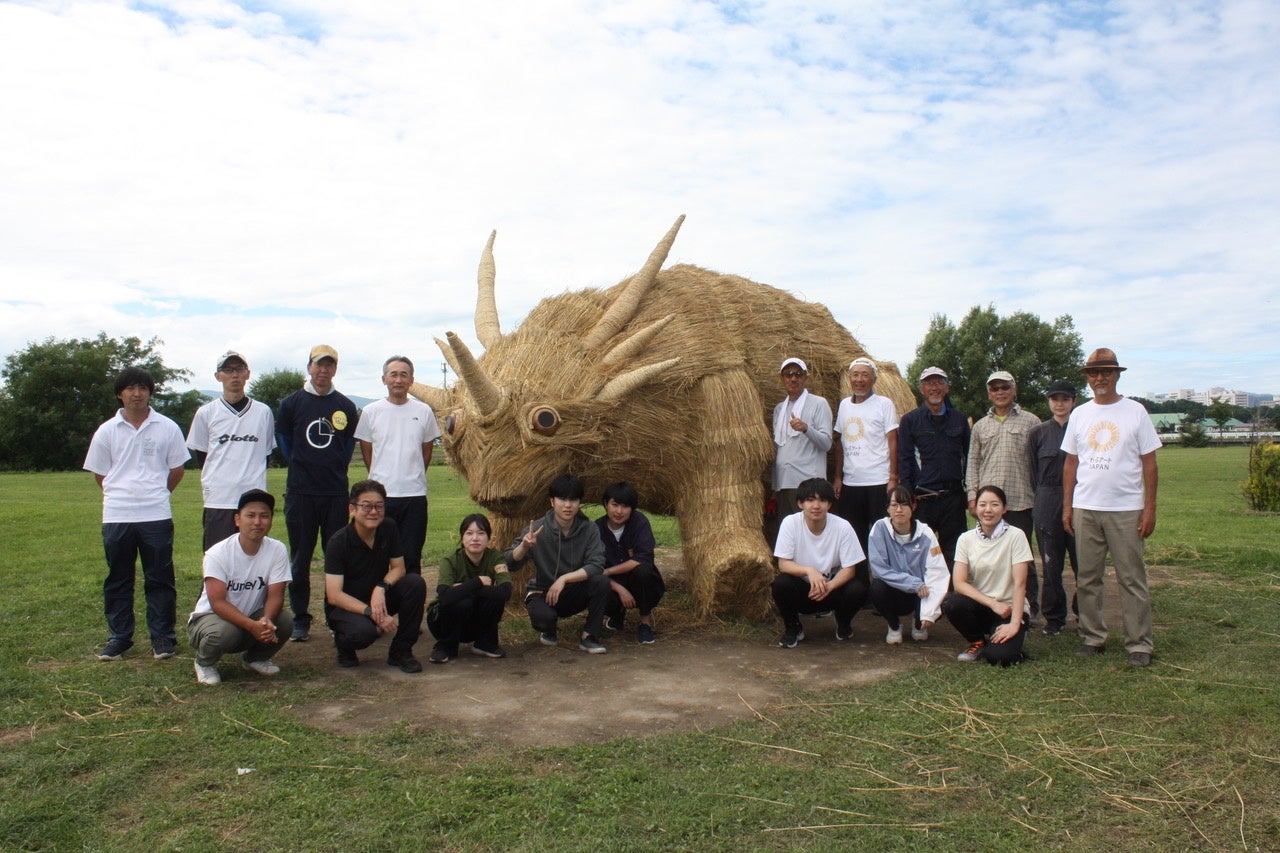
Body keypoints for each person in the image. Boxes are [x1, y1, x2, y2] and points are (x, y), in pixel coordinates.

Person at [1062, 348, 1161, 667]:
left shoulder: (1135, 412)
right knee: (1088, 577)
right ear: (1087, 378)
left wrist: (1149, 508)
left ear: (1117, 375)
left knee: (1131, 578)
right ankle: (1093, 637)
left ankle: (1139, 643)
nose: (1100, 378)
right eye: (1094, 373)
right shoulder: (1080, 414)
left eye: (1106, 372)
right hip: (1086, 506)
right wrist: (1068, 506)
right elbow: (1071, 462)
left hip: (1126, 509)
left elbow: (1149, 463)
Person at [83, 367, 190, 661]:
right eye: (130, 388)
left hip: (155, 514)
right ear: (120, 394)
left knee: (160, 578)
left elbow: (177, 469)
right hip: (117, 515)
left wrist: (156, 494)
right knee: (118, 578)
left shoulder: (167, 427)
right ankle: (119, 638)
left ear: (150, 392)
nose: (137, 393)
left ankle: (163, 638)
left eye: (142, 388)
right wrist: (122, 495)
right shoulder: (106, 431)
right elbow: (100, 474)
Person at [276, 344, 359, 642]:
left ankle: (335, 616)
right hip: (301, 492)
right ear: (309, 367)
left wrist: (331, 466)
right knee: (300, 558)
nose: (324, 370)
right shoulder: (291, 403)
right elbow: (284, 441)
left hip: (335, 493)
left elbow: (347, 447)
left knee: (336, 557)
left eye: (329, 365)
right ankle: (300, 618)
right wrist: (303, 465)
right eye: (319, 364)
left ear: (335, 369)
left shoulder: (345, 406)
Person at [187, 489, 293, 685]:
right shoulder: (217, 553)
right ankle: (204, 663)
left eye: (264, 516)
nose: (257, 522)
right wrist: (251, 626)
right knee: (226, 632)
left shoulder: (277, 549)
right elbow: (217, 602)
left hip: (250, 617)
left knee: (284, 621)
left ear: (271, 520)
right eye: (250, 516)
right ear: (237, 520)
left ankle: (255, 658)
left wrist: (266, 620)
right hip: (211, 619)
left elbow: (276, 595)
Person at [324, 480, 427, 672]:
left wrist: (381, 587)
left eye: (379, 506)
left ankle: (401, 651)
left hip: (377, 598)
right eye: (366, 506)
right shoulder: (338, 542)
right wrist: (371, 613)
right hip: (346, 607)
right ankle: (343, 644)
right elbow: (334, 595)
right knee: (363, 633)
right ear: (352, 509)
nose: (373, 512)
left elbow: (399, 568)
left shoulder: (388, 527)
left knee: (414, 583)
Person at [354, 355, 441, 575]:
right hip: (381, 497)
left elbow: (426, 450)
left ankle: (410, 596)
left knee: (411, 555)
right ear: (384, 379)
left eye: (404, 375)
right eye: (393, 375)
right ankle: (380, 595)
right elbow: (367, 449)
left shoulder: (424, 411)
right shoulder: (371, 411)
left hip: (414, 495)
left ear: (412, 380)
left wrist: (414, 473)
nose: (398, 380)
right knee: (378, 554)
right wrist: (378, 478)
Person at [507, 474, 611, 654]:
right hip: (543, 592)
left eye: (573, 500)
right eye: (562, 499)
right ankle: (549, 628)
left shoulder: (589, 529)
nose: (568, 505)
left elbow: (596, 565)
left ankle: (590, 636)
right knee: (544, 619)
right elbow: (509, 562)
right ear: (552, 502)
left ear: (579, 502)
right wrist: (523, 547)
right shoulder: (537, 529)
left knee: (601, 582)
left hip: (573, 590)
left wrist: (564, 579)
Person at [966, 370, 1041, 619]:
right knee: (988, 555)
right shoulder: (980, 426)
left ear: (1014, 390)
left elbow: (1038, 462)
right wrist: (973, 497)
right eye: (995, 388)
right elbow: (973, 463)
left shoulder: (1031, 422)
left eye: (1005, 387)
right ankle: (990, 602)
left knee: (1023, 556)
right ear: (989, 393)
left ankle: (1029, 607)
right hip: (988, 505)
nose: (1000, 392)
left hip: (1020, 501)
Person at [185, 351, 276, 552]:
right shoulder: (206, 413)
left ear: (247, 374)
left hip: (253, 498)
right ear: (218, 376)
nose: (234, 374)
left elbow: (266, 454)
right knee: (217, 555)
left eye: (239, 369)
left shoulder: (263, 412)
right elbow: (203, 456)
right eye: (227, 370)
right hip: (219, 498)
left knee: (254, 556)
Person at [941, 485, 1033, 666]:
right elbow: (959, 583)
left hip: (1010, 610)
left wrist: (1014, 624)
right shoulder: (966, 539)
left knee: (999, 658)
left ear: (1005, 509)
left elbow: (1020, 583)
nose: (988, 510)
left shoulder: (1016, 536)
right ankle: (978, 642)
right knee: (953, 603)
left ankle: (1011, 639)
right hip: (984, 606)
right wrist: (992, 603)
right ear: (975, 508)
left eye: (995, 504)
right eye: (982, 505)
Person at [771, 477, 868, 647]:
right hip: (804, 590)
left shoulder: (843, 526)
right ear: (800, 503)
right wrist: (810, 571)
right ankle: (793, 628)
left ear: (829, 504)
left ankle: (843, 621)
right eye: (810, 500)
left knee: (858, 588)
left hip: (831, 590)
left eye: (822, 500)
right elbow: (783, 564)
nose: (816, 506)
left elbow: (850, 568)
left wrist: (829, 586)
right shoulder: (790, 523)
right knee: (781, 584)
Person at [896, 366, 970, 566]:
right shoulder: (910, 420)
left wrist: (969, 491)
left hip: (953, 498)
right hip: (923, 499)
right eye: (929, 383)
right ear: (922, 389)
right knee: (920, 550)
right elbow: (904, 458)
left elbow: (969, 456)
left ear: (947, 388)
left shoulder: (959, 419)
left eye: (939, 382)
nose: (934, 388)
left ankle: (953, 585)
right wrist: (908, 495)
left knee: (954, 550)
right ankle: (921, 585)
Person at [1029, 379, 1080, 636]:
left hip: (1080, 497)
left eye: (1065, 399)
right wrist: (1042, 497)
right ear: (1049, 401)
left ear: (1073, 401)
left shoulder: (1082, 428)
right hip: (1047, 498)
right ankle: (1054, 618)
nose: (1060, 404)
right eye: (1055, 399)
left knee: (1083, 561)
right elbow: (1032, 471)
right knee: (1051, 563)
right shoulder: (1038, 433)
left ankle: (1084, 614)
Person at [867, 485, 950, 644]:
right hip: (895, 590)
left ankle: (919, 623)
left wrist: (929, 612)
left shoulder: (926, 533)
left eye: (904, 504)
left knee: (941, 596)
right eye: (894, 505)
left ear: (914, 506)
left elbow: (937, 571)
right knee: (877, 588)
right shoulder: (879, 529)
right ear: (887, 508)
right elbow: (879, 570)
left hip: (921, 594)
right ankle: (894, 625)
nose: (899, 510)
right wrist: (913, 583)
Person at [833, 357, 899, 553]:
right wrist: (838, 477)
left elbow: (893, 441)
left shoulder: (884, 404)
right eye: (855, 375)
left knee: (883, 535)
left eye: (864, 375)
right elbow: (840, 443)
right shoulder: (844, 405)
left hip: (878, 480)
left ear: (873, 379)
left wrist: (893, 477)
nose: (859, 379)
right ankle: (859, 573)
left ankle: (883, 572)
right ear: (849, 378)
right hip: (851, 483)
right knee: (854, 536)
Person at [428, 514, 512, 663]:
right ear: (462, 537)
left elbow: (505, 592)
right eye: (469, 533)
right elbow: (444, 596)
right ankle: (445, 646)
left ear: (489, 537)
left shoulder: (495, 558)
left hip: (473, 624)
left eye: (481, 533)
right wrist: (477, 582)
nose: (475, 538)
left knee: (495, 598)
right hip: (441, 621)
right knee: (461, 602)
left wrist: (464, 588)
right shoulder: (450, 560)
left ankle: (485, 643)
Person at [770, 357, 833, 545]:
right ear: (782, 378)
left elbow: (826, 443)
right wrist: (775, 485)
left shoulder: (819, 403)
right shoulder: (779, 409)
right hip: (784, 483)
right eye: (788, 374)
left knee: (809, 534)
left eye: (798, 374)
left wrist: (806, 428)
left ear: (805, 377)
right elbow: (779, 448)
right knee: (789, 534)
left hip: (807, 482)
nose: (793, 378)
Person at [595, 482, 665, 644]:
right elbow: (594, 568)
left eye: (625, 506)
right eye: (615, 505)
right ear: (606, 504)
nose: (619, 511)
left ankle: (645, 623)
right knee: (596, 582)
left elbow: (643, 557)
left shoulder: (639, 522)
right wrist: (620, 590)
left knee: (644, 571)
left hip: (637, 580)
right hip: (612, 584)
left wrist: (609, 571)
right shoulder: (596, 529)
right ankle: (616, 615)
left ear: (632, 508)